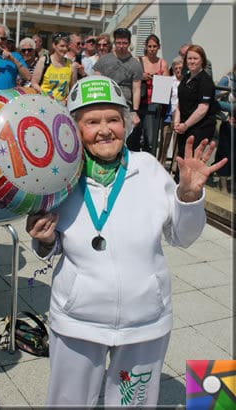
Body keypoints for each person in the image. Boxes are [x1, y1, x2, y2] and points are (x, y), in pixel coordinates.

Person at [27, 75, 227, 407]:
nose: (104, 130)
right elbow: (51, 245)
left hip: (144, 323)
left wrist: (189, 197)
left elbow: (182, 236)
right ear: (75, 129)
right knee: (68, 403)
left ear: (126, 123)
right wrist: (44, 239)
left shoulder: (147, 169)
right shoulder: (61, 177)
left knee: (131, 403)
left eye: (113, 119)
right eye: (91, 121)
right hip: (78, 322)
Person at [173, 45, 220, 182]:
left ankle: (188, 194)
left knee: (191, 163)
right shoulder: (186, 77)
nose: (192, 61)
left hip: (199, 128)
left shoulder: (205, 81)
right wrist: (177, 122)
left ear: (202, 61)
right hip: (184, 127)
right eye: (189, 58)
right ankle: (178, 189)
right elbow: (180, 103)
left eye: (195, 58)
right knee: (181, 159)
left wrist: (185, 125)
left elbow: (202, 109)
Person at [94, 28, 143, 145]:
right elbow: (96, 81)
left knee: (121, 138)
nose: (121, 46)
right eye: (119, 43)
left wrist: (135, 111)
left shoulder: (135, 64)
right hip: (105, 102)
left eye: (125, 43)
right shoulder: (104, 60)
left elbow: (136, 89)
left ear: (129, 43)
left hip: (124, 106)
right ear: (114, 42)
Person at [138, 34, 170, 155]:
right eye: (150, 46)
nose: (152, 49)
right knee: (135, 135)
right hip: (139, 101)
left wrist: (158, 78)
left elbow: (166, 85)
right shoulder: (139, 60)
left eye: (154, 46)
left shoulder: (163, 63)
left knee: (150, 138)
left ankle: (148, 160)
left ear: (159, 47)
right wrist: (142, 76)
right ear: (146, 47)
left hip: (154, 103)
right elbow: (132, 78)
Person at [31, 32, 76, 104]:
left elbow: (73, 89)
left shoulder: (71, 65)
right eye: (62, 46)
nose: (65, 49)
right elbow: (34, 83)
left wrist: (66, 101)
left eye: (67, 46)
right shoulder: (44, 61)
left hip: (61, 106)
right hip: (43, 104)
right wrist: (46, 97)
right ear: (54, 45)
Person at [214, 64, 236, 193]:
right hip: (228, 124)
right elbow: (215, 100)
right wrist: (231, 108)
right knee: (225, 153)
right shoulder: (227, 80)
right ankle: (223, 185)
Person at [160, 56, 184, 166]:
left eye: (180, 68)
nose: (178, 70)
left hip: (181, 115)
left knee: (177, 143)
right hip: (168, 114)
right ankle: (161, 162)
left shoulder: (187, 81)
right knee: (165, 142)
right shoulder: (169, 80)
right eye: (176, 68)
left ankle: (174, 167)